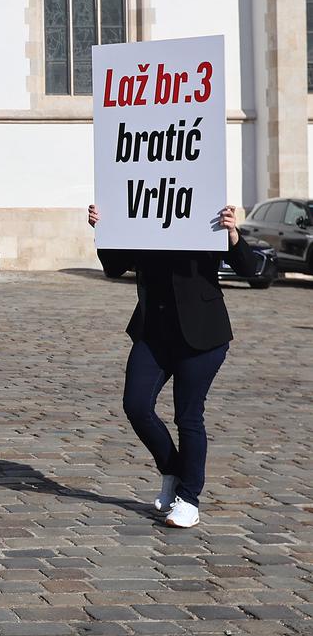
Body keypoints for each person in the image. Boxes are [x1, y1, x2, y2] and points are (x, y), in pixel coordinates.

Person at [89, 203, 251, 529]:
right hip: (154, 332)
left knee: (188, 416)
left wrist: (233, 235)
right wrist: (103, 229)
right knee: (136, 405)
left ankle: (189, 499)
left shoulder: (205, 214)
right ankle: (172, 470)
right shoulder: (142, 215)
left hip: (203, 333)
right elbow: (114, 267)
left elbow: (248, 267)